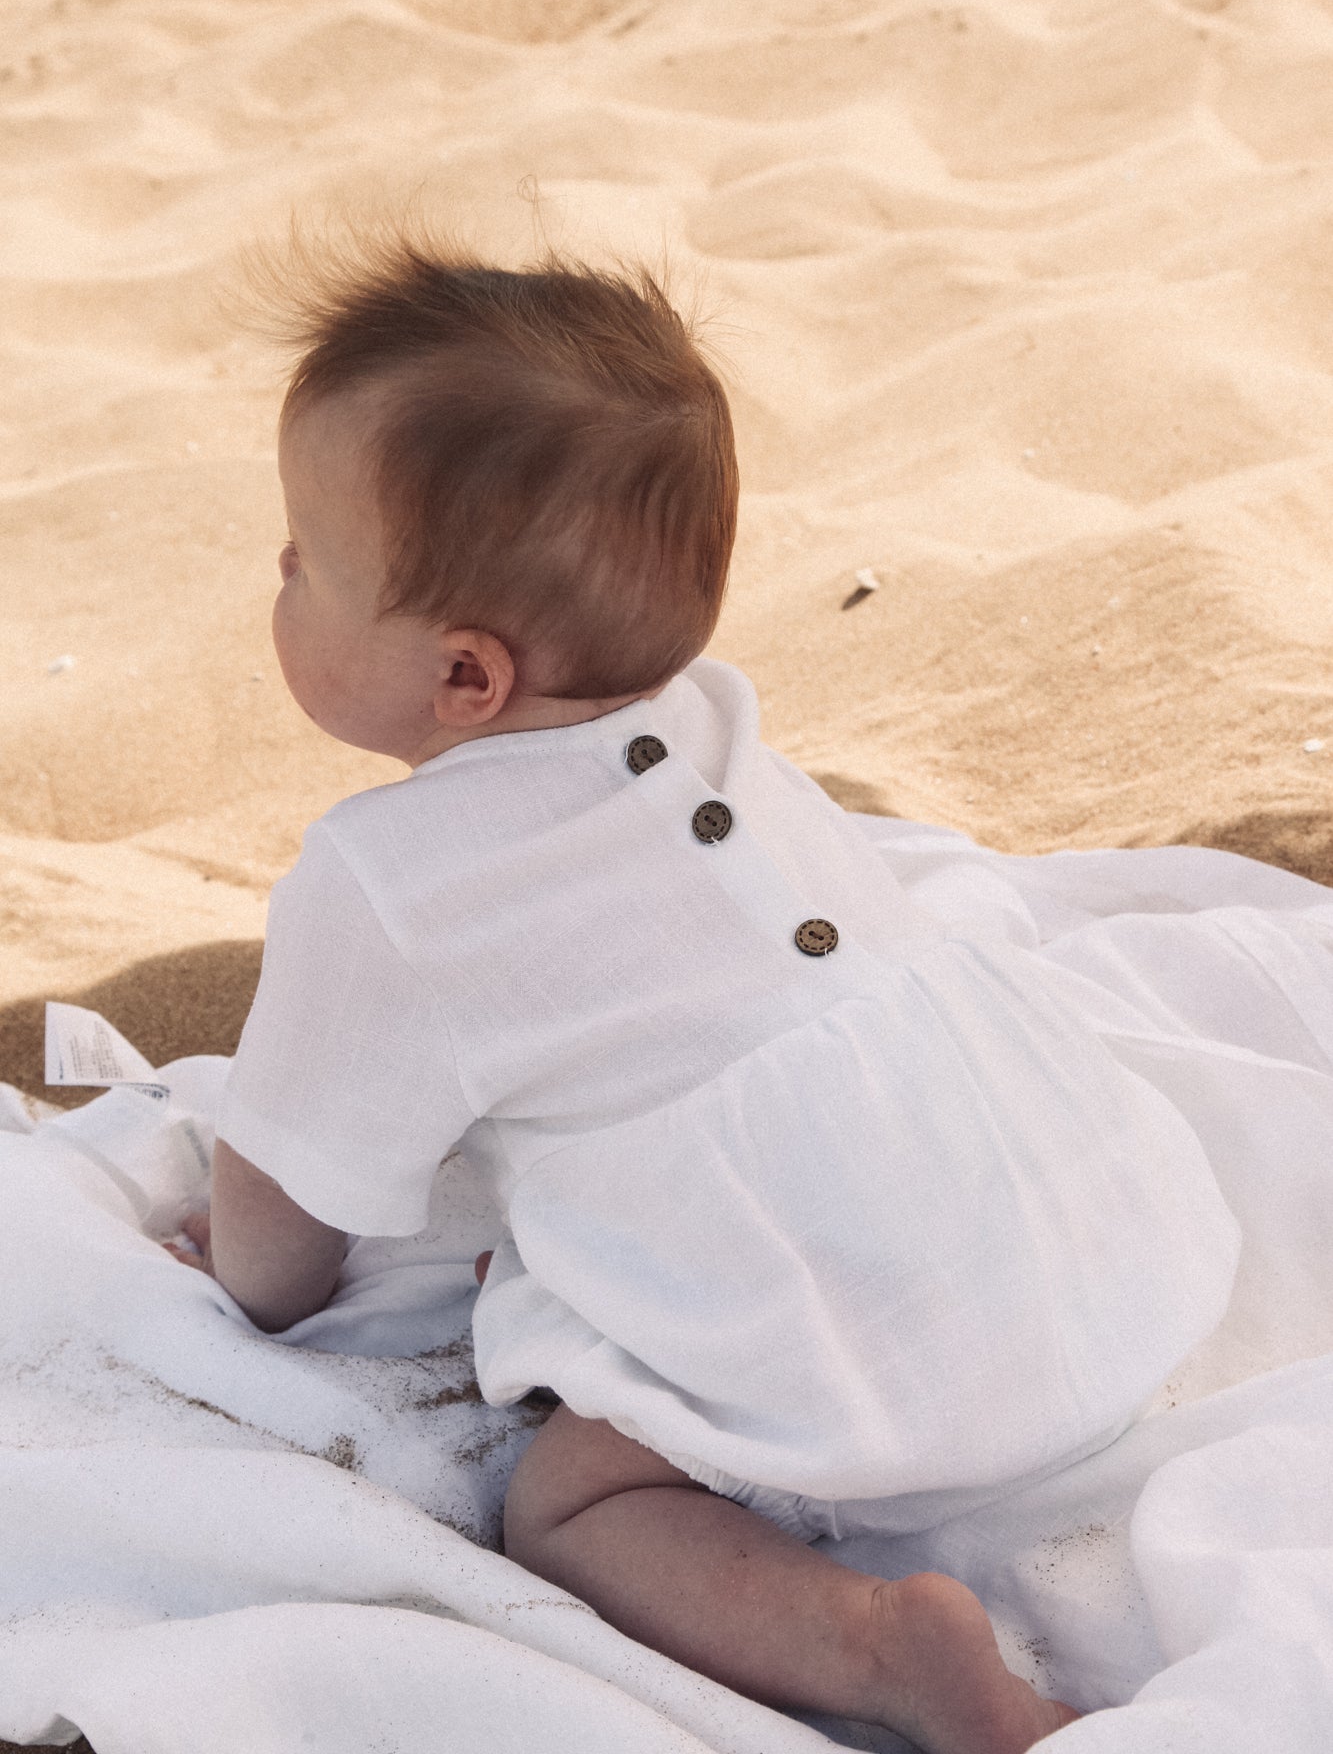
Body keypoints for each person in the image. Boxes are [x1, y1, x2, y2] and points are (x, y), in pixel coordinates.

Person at [169, 234, 1242, 1753]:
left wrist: (244, 1274)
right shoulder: (711, 718)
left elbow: (287, 1205)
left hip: (868, 1351)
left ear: (464, 680)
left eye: (301, 560)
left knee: (573, 1505)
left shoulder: (388, 882)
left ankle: (880, 1647)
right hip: (1088, 1256)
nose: (275, 577)